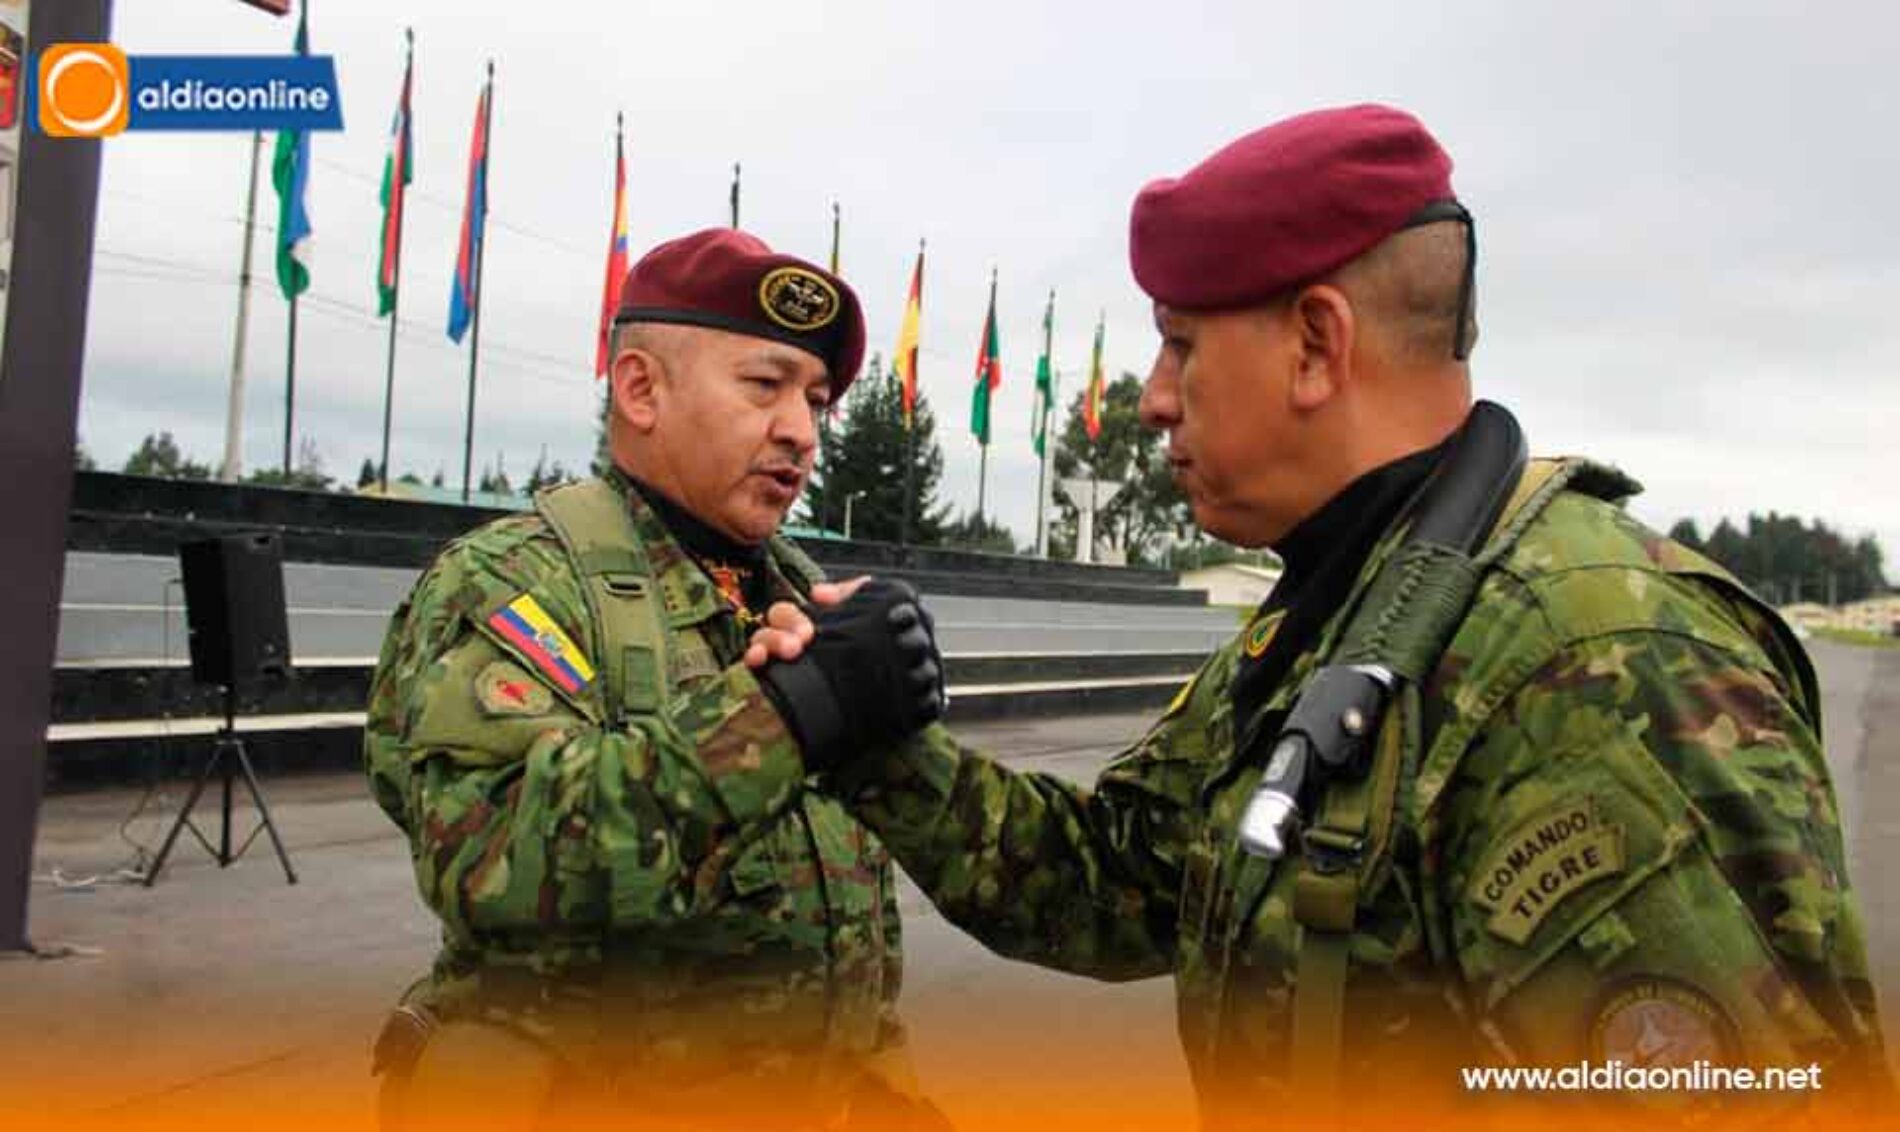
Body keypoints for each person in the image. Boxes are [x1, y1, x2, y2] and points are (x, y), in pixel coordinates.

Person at [747, 105, 1890, 1126]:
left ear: (1314, 344)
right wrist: (881, 733)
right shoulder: (1347, 613)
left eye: (1181, 342)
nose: (1150, 397)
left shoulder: (1595, 663)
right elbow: (1115, 883)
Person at [362, 228, 947, 1132]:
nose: (801, 429)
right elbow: (490, 856)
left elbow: (851, 938)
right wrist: (786, 717)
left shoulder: (804, 599)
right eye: (765, 385)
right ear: (641, 388)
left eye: (817, 399)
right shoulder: (518, 583)